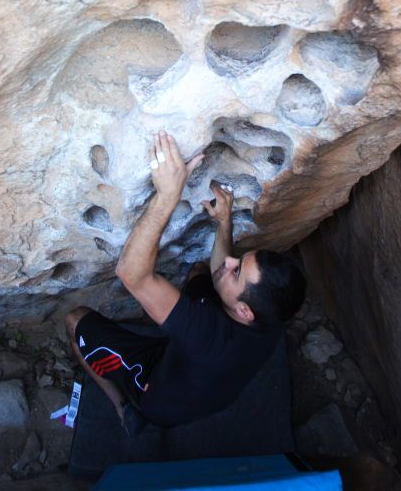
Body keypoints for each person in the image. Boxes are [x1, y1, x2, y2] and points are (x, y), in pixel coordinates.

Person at [65, 130, 306, 431]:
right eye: (238, 260)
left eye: (236, 271)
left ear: (244, 312)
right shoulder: (270, 316)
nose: (229, 261)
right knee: (200, 274)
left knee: (76, 321)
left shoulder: (209, 336)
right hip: (202, 377)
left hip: (158, 393)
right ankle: (168, 328)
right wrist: (224, 222)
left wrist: (168, 194)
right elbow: (222, 274)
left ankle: (122, 405)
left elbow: (132, 274)